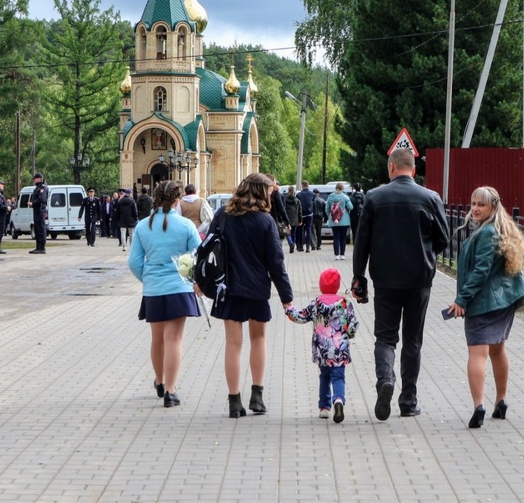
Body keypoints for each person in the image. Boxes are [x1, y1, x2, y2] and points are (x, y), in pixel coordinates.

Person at [352, 149, 448, 420]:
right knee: (413, 341)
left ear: (391, 167)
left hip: (385, 279)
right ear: (414, 170)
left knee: (385, 337)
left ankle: (385, 379)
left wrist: (359, 276)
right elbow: (444, 239)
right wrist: (426, 252)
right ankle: (408, 401)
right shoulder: (430, 198)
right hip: (419, 279)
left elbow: (362, 242)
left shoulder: (374, 197)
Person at [207, 173, 294, 419]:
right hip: (257, 289)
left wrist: (201, 281)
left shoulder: (222, 216)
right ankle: (257, 396)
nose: (271, 195)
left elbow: (208, 248)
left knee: (233, 344)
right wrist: (286, 297)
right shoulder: (265, 221)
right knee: (258, 339)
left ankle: (234, 401)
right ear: (259, 191)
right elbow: (276, 262)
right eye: (268, 191)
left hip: (229, 289)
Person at [444, 186, 524, 429]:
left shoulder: (486, 233)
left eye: (481, 204)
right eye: (473, 203)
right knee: (497, 350)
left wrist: (462, 299)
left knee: (477, 354)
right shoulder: (498, 229)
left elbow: (481, 271)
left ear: (493, 206)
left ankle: (478, 406)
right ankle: (501, 402)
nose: (475, 208)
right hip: (501, 301)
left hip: (484, 302)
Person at [128, 180, 202, 408]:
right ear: (177, 200)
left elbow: (134, 262)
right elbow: (197, 257)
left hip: (153, 290)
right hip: (179, 289)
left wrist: (148, 278)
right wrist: (189, 277)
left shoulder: (142, 226)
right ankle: (171, 390)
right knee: (174, 339)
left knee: (157, 339)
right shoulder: (186, 226)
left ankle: (159, 381)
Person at [286, 267, 357, 423]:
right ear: (338, 286)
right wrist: (350, 333)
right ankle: (338, 400)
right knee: (338, 377)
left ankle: (324, 407)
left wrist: (289, 309)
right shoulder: (345, 305)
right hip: (340, 348)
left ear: (321, 285)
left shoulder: (316, 304)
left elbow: (301, 316)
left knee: (324, 376)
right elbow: (352, 324)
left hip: (323, 350)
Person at [325, 183, 353, 261]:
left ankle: (336, 255)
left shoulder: (330, 197)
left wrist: (331, 216)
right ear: (342, 189)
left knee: (336, 237)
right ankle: (342, 254)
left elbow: (327, 208)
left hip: (334, 221)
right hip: (344, 221)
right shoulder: (345, 197)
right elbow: (351, 207)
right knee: (343, 238)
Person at [28, 174, 49, 254]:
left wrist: (33, 203)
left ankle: (42, 247)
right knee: (37, 228)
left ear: (39, 179)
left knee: (41, 228)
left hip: (40, 209)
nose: (34, 180)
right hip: (36, 210)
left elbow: (42, 199)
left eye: (35, 179)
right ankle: (38, 246)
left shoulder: (43, 187)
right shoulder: (37, 188)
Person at [296, 181, 315, 252]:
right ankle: (308, 246)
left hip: (301, 215)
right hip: (310, 214)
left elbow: (297, 205)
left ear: (302, 186)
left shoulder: (299, 195)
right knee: (308, 230)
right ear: (308, 185)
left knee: (301, 230)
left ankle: (300, 246)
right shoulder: (312, 194)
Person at [283, 186, 301, 254]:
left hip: (287, 219)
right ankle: (292, 244)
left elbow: (283, 209)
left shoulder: (285, 200)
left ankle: (291, 243)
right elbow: (300, 211)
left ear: (288, 191)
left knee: (287, 233)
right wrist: (300, 219)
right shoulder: (297, 200)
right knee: (293, 233)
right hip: (295, 219)